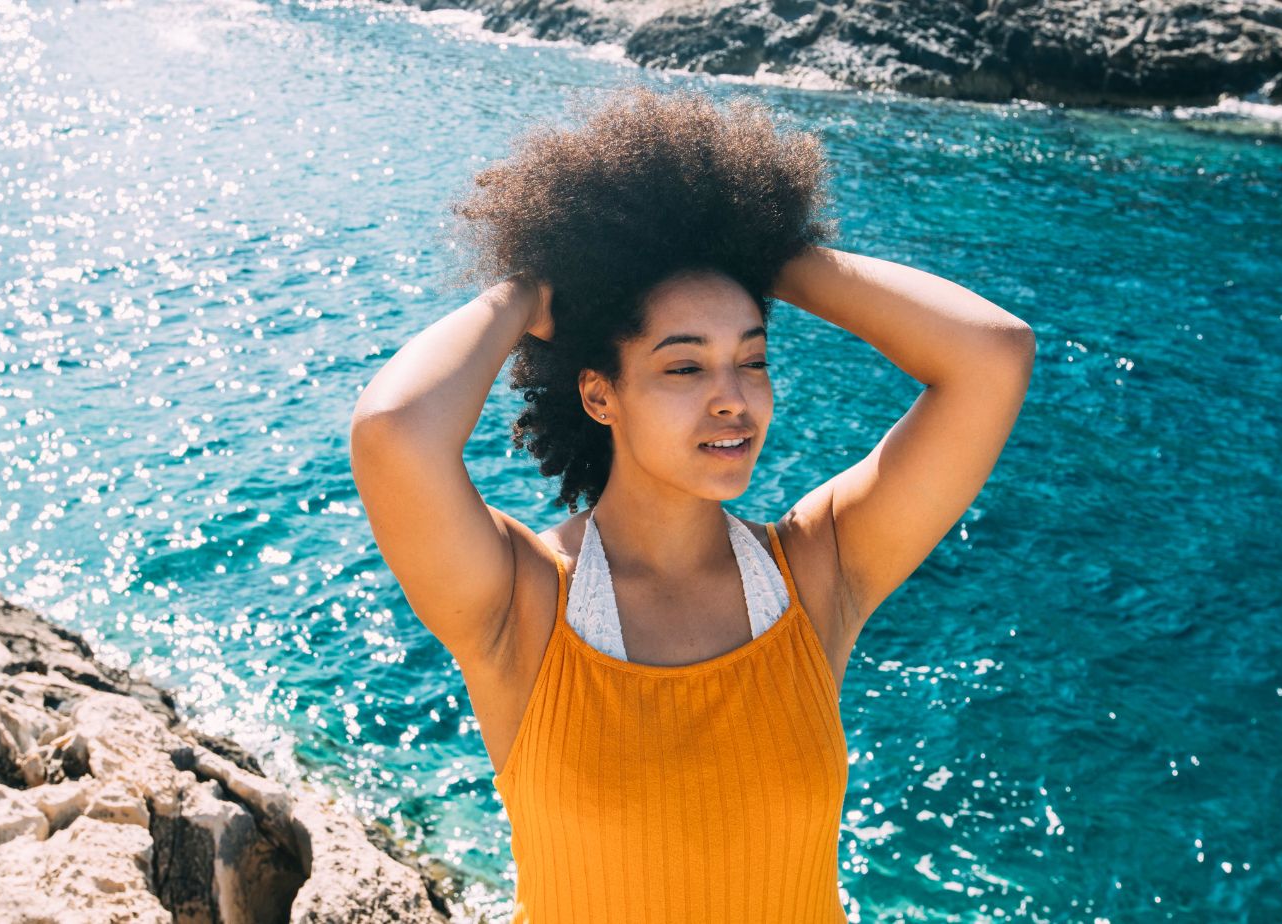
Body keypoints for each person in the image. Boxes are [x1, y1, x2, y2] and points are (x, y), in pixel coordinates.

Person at [349, 83, 1034, 922]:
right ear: (601, 396)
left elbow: (993, 356)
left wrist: (758, 252)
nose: (733, 400)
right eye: (684, 367)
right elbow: (393, 432)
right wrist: (532, 294)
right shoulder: (522, 604)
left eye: (751, 359)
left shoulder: (820, 571)